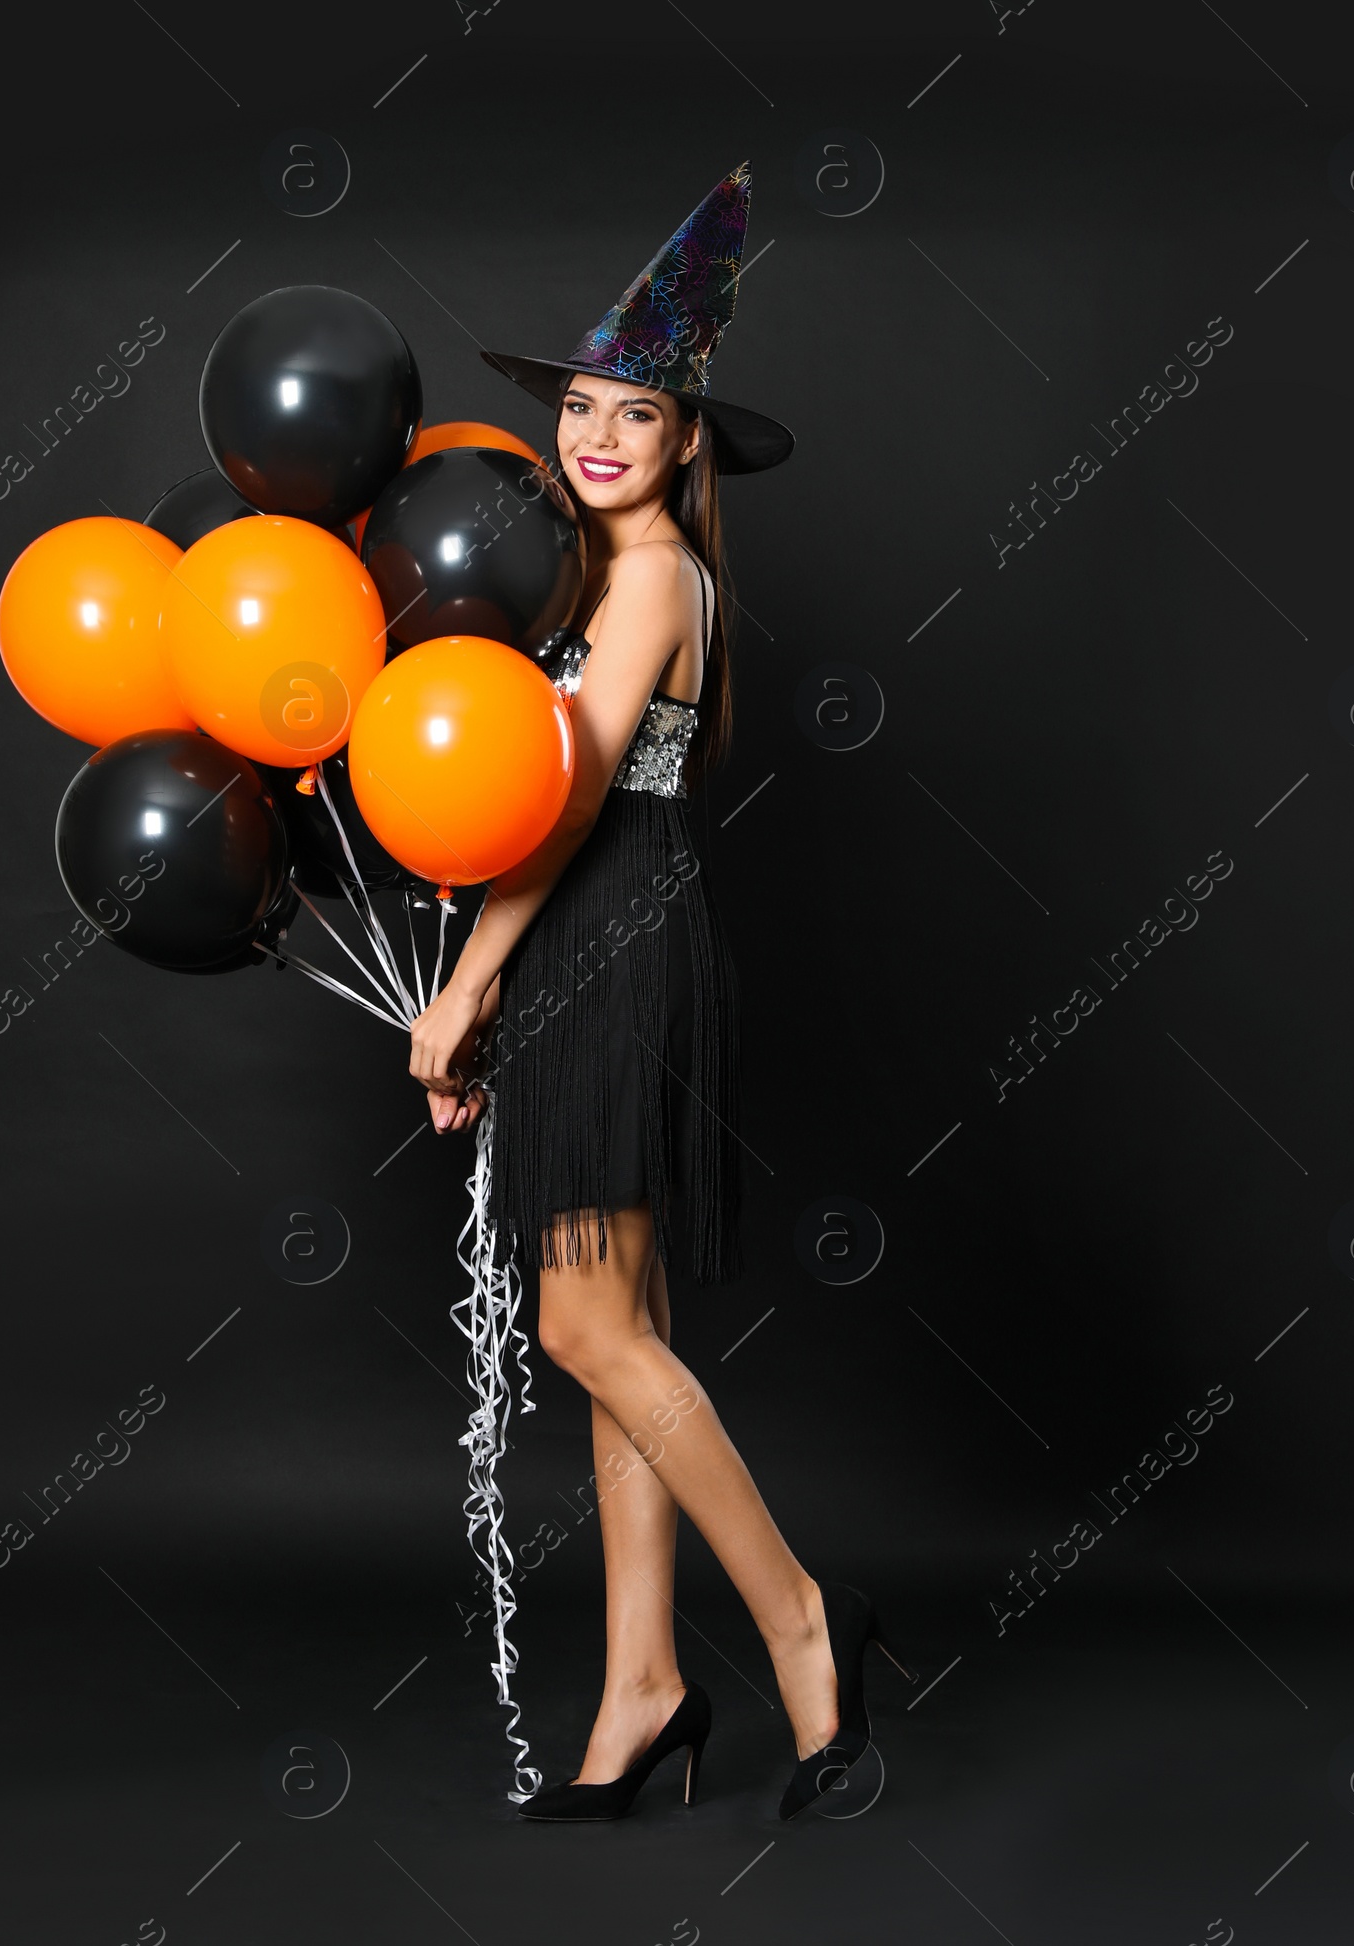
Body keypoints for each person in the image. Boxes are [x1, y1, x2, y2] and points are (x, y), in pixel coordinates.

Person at [408, 164, 906, 1821]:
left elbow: (557, 805)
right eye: (586, 408)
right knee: (619, 1335)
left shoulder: (652, 583)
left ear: (690, 441)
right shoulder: (589, 580)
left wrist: (464, 985)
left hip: (613, 941)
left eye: (639, 412)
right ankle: (641, 1691)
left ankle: (800, 1632)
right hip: (585, 946)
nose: (602, 435)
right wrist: (496, 984)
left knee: (589, 1327)